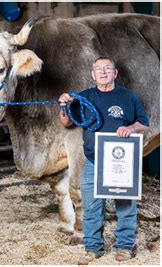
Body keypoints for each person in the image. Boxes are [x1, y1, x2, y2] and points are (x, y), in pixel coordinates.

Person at [58, 57, 149, 265]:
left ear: (115, 73)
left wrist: (130, 128)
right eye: (98, 69)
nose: (103, 72)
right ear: (93, 75)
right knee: (91, 206)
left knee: (125, 205)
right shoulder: (84, 97)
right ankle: (93, 248)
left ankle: (124, 246)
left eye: (108, 68)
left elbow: (143, 123)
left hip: (122, 162)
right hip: (93, 161)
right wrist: (63, 105)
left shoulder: (127, 97)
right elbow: (66, 122)